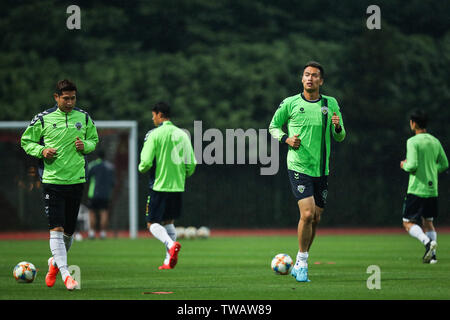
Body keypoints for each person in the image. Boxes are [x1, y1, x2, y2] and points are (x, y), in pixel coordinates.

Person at [269, 61, 346, 282]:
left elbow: (340, 136)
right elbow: (273, 126)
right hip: (298, 166)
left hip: (321, 169)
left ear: (321, 80)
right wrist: (286, 138)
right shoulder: (290, 103)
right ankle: (301, 263)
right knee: (307, 214)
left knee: (317, 218)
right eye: (306, 75)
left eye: (314, 75)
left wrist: (338, 126)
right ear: (302, 79)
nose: (310, 78)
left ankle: (302, 256)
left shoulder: (330, 103)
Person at [21, 79, 99, 290]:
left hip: (76, 180)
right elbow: (26, 141)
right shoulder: (43, 118)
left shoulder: (83, 117)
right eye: (66, 98)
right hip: (52, 181)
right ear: (56, 97)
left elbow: (94, 140)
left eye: (73, 98)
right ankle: (67, 275)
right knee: (56, 229)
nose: (70, 102)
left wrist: (86, 145)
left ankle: (54, 263)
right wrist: (41, 151)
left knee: (68, 234)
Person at [138, 102, 196, 270]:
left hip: (159, 186)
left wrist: (142, 168)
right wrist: (182, 176)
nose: (152, 118)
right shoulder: (182, 135)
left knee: (152, 223)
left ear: (159, 114)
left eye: (153, 115)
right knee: (168, 221)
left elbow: (145, 162)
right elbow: (191, 163)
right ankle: (167, 260)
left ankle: (170, 245)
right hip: (177, 186)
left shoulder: (154, 134)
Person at [400, 109, 448, 263]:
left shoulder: (412, 141)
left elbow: (412, 165)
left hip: (416, 189)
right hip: (432, 189)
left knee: (408, 223)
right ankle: (433, 257)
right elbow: (445, 164)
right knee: (428, 222)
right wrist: (433, 171)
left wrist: (404, 165)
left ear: (413, 123)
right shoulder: (435, 141)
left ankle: (427, 244)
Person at [86, 150, 116, 239]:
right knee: (104, 212)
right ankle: (103, 233)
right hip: (106, 194)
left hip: (93, 193)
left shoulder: (92, 165)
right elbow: (113, 183)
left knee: (92, 212)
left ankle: (91, 233)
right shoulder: (110, 167)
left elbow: (87, 178)